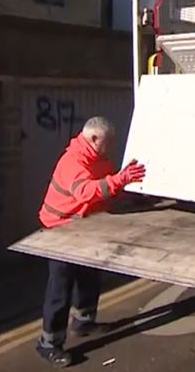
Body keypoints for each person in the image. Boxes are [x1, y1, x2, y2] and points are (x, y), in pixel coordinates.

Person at [35, 117, 147, 367]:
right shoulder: (73, 161)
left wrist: (128, 188)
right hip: (59, 229)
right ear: (94, 139)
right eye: (108, 142)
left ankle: (84, 321)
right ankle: (48, 343)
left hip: (82, 226)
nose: (111, 146)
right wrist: (120, 180)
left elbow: (106, 189)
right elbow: (85, 191)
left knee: (88, 275)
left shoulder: (99, 160)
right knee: (60, 289)